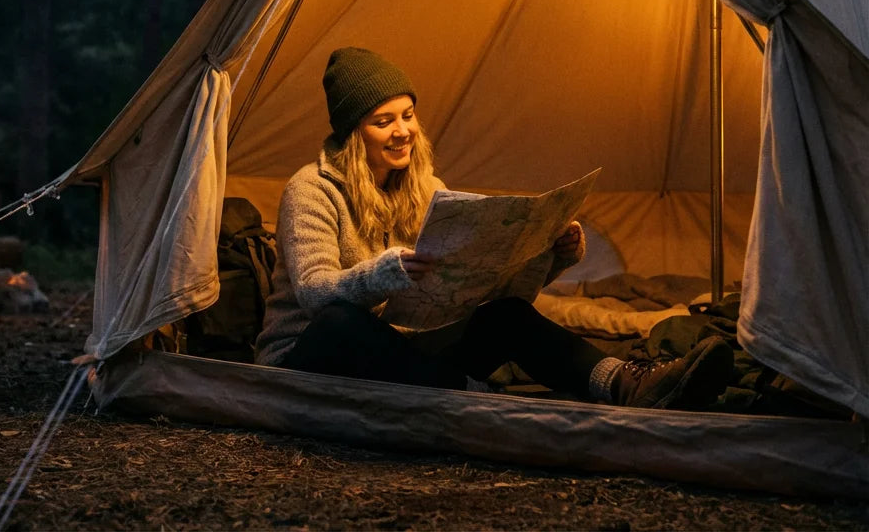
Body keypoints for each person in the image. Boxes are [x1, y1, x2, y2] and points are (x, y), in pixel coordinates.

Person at [253, 46, 733, 409]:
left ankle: (628, 384)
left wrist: (550, 255)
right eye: (383, 121)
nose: (403, 131)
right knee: (341, 320)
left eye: (408, 115)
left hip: (401, 354)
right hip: (309, 358)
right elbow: (315, 293)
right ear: (354, 132)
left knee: (504, 313)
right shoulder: (312, 189)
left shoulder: (425, 188)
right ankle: (466, 398)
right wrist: (386, 272)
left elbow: (473, 286)